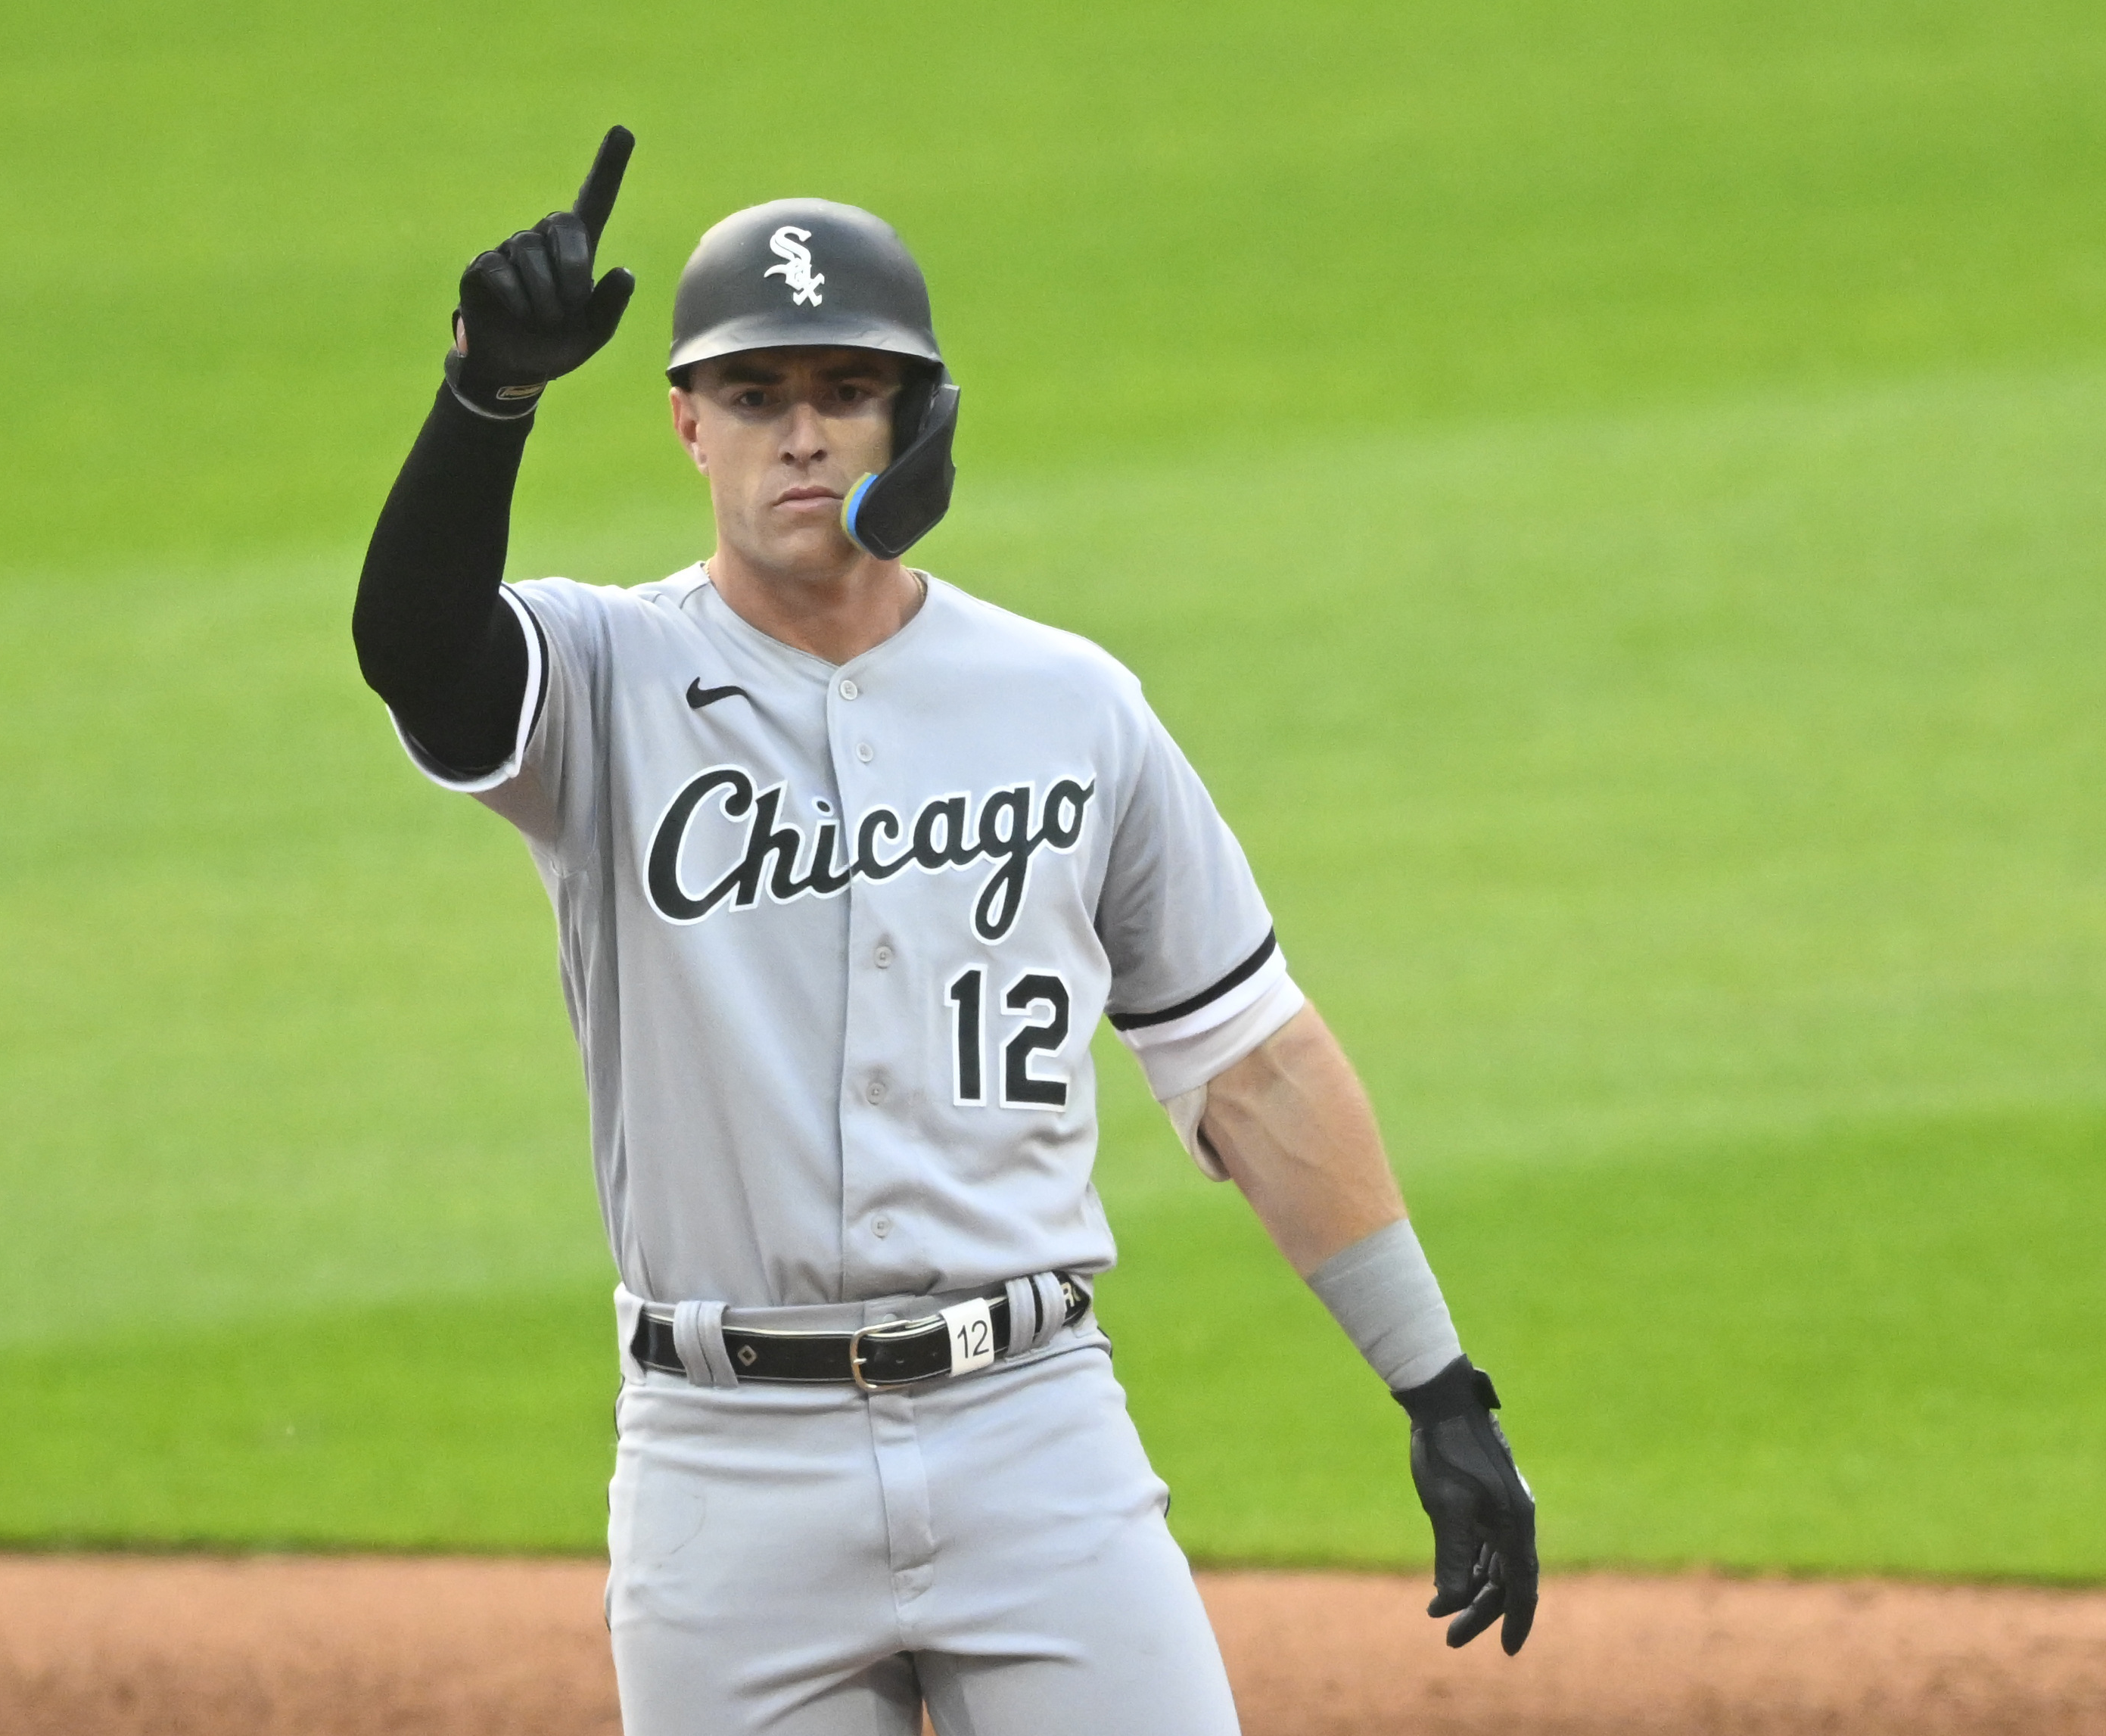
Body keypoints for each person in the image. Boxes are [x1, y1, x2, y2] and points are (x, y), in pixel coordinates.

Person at [351, 126, 1536, 1736]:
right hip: (725, 1462)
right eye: (757, 395)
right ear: (686, 422)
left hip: (1030, 1434)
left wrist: (1437, 1386)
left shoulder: (1068, 707)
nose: (801, 436)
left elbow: (1247, 1059)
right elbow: (416, 648)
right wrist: (484, 399)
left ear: (916, 418)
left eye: (845, 391)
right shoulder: (604, 680)